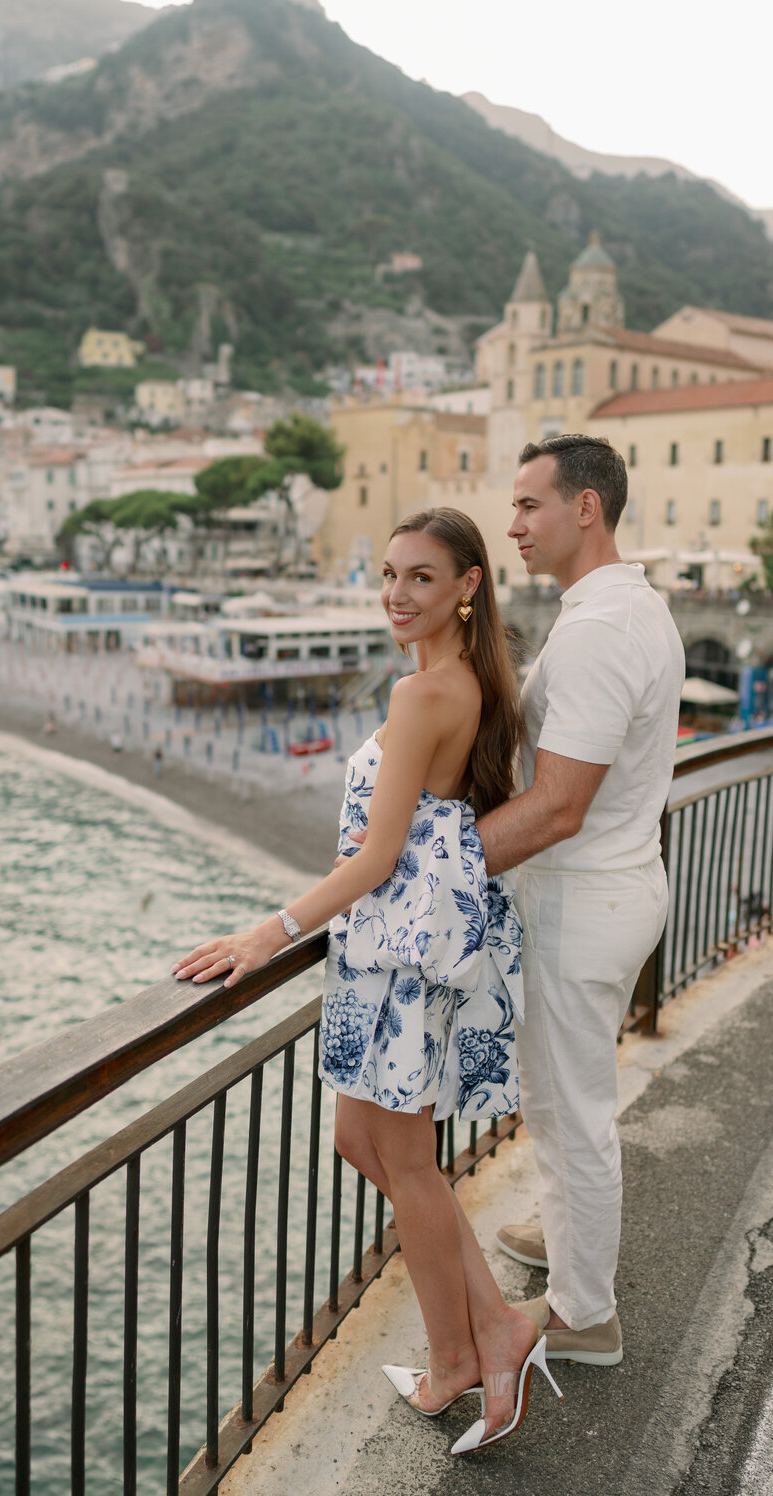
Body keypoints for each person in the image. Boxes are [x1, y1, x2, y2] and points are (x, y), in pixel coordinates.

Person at [173, 509, 562, 1453]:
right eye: (389, 575)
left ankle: (459, 1358)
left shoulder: (422, 694)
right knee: (364, 1141)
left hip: (392, 956)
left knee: (410, 1164)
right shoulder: (462, 682)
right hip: (390, 952)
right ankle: (501, 1328)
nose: (396, 594)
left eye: (421, 578)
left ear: (469, 585)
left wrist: (268, 933)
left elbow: (381, 853)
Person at [476, 435, 684, 1367]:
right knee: (563, 1097)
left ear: (586, 507)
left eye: (530, 506)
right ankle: (567, 1239)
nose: (512, 524)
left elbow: (559, 806)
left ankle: (586, 1315)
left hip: (581, 899)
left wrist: (430, 869)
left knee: (570, 1109)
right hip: (613, 886)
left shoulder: (600, 629)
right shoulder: (622, 607)